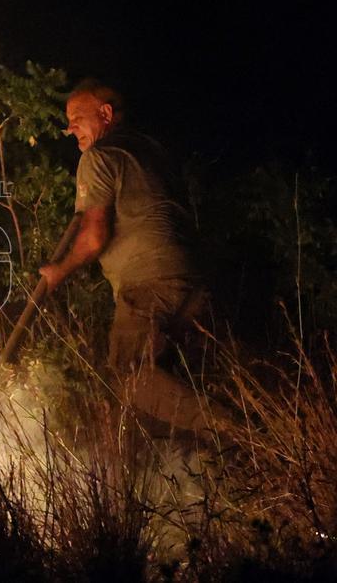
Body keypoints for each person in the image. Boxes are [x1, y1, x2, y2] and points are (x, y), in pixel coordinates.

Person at [38, 79, 223, 436]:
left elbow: (93, 237)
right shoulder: (152, 150)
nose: (69, 127)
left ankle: (245, 434)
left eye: (77, 116)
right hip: (193, 282)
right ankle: (209, 468)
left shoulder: (98, 157)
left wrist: (59, 271)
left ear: (105, 113)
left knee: (130, 373)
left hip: (150, 283)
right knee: (168, 389)